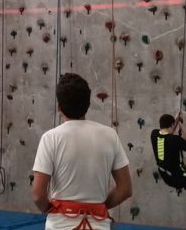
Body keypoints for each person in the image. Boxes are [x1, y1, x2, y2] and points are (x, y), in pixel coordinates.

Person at [32, 73, 132, 230]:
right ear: (88, 104)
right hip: (98, 224)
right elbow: (125, 189)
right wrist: (99, 207)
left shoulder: (50, 138)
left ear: (59, 107)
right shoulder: (110, 135)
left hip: (61, 225)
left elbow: (38, 194)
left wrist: (52, 210)